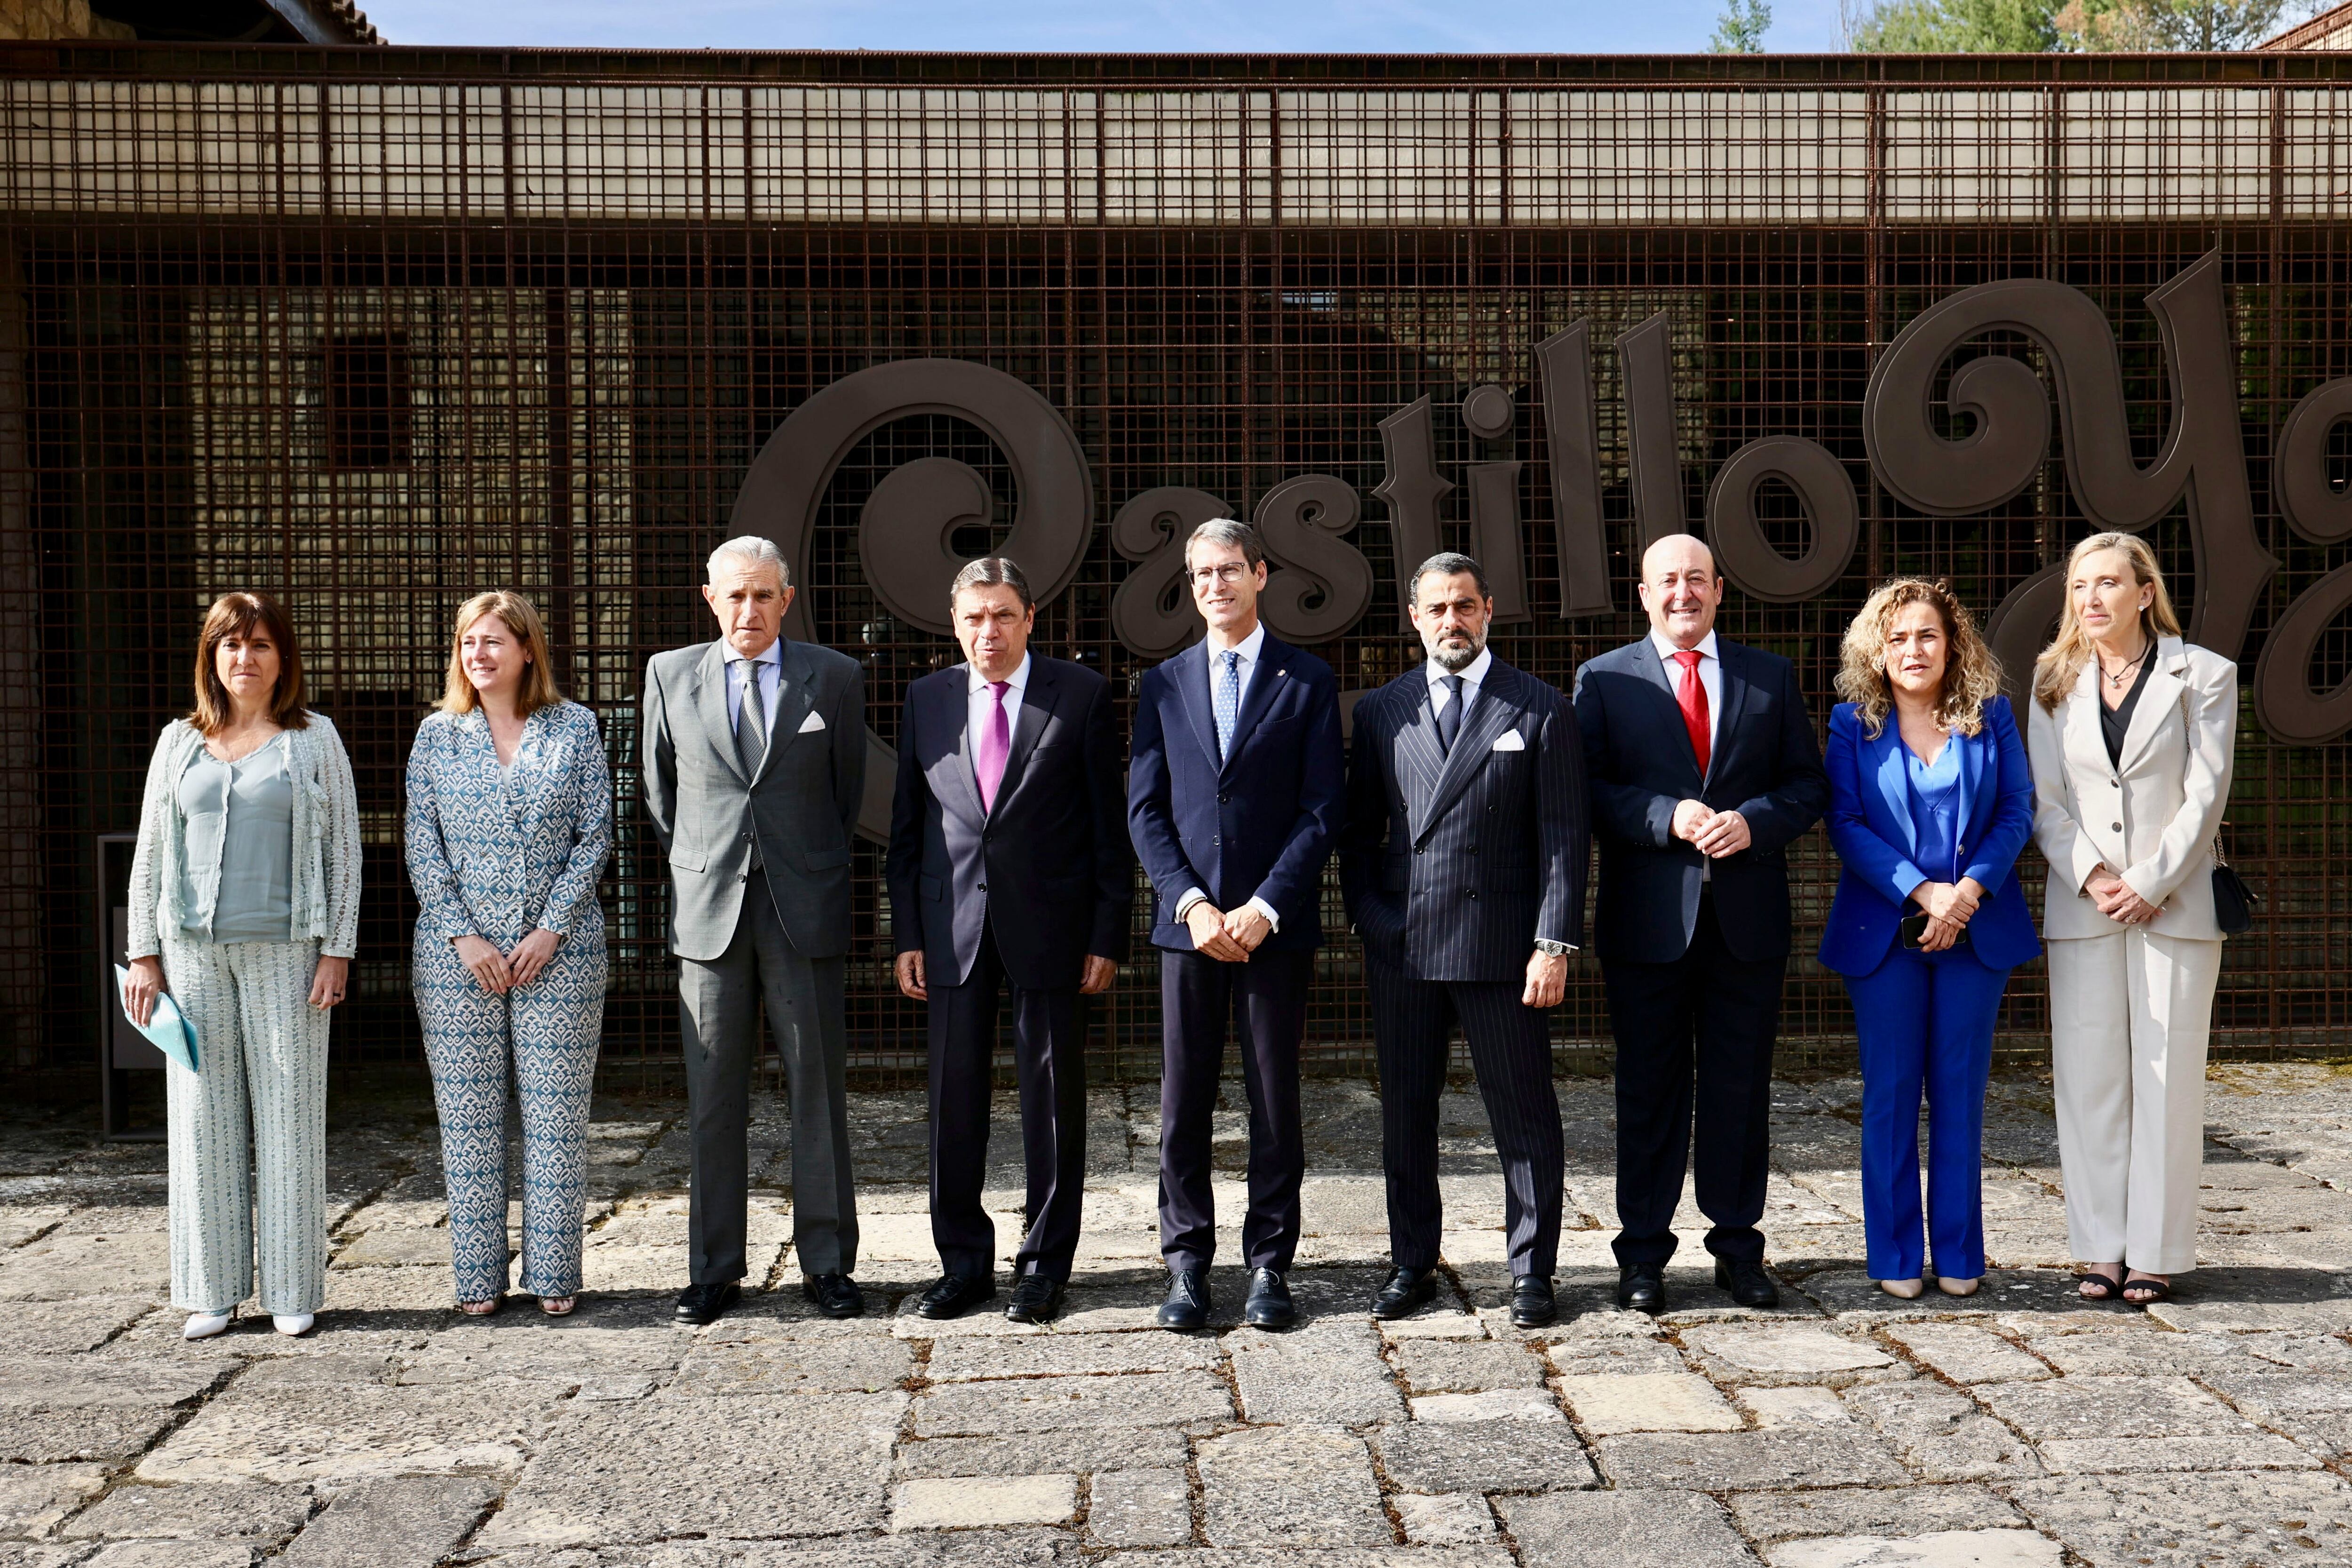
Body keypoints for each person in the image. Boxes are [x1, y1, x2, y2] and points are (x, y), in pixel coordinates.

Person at [1573, 534, 1827, 1313]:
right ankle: (1643, 1254)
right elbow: (1586, 790)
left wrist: (1754, 821)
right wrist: (1664, 815)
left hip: (1745, 922)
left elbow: (1808, 784)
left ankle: (1738, 1248)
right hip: (1649, 923)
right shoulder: (1604, 679)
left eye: (1696, 579)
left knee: (1739, 1091)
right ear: (1643, 594)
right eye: (1666, 581)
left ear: (1719, 589)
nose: (1682, 592)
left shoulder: (1769, 676)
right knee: (1647, 1090)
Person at [1341, 552, 1588, 1329]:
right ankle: (1412, 1262)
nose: (1453, 621)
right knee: (1406, 1116)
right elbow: (1355, 837)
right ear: (1415, 617)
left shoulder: (1538, 706)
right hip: (1407, 948)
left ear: (1490, 612)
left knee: (1523, 1115)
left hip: (1503, 947)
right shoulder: (1383, 710)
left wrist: (1554, 943)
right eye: (1438, 608)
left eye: (1466, 607)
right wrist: (1377, 924)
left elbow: (1563, 840)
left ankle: (1531, 1271)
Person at [886, 557, 1132, 1324]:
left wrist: (1107, 933)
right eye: (973, 618)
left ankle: (1044, 1266)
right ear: (954, 624)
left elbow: (1108, 830)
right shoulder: (926, 699)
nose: (987, 632)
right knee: (953, 1103)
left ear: (1030, 618)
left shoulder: (1082, 694)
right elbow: (906, 829)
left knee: (1053, 1103)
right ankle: (963, 1266)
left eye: (1002, 616)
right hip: (951, 928)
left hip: (1054, 927)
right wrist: (907, 933)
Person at [121, 592, 361, 1340]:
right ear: (212, 658)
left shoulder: (314, 739)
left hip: (289, 954)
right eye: (230, 645)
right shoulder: (178, 741)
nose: (245, 658)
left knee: (290, 1116)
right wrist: (143, 955)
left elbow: (344, 851)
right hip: (191, 956)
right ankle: (212, 1290)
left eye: (259, 645)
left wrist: (337, 950)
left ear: (281, 658)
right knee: (202, 1122)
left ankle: (292, 1288)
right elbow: (151, 853)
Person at [642, 537, 867, 1326]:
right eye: (735, 596)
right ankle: (713, 1270)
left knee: (818, 1090)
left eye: (764, 596)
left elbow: (846, 797)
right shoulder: (669, 675)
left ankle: (830, 1265)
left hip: (802, 909)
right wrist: (711, 863)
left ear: (788, 597)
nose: (750, 610)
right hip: (709, 914)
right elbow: (662, 796)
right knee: (711, 1096)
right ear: (710, 599)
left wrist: (796, 863)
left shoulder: (834, 677)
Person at [1128, 517, 1344, 1330]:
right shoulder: (1163, 682)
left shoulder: (1307, 680)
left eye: (1229, 570)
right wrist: (1191, 903)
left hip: (1270, 927)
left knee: (1273, 1099)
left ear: (1261, 573)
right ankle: (1186, 1266)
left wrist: (1262, 906)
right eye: (1200, 574)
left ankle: (1268, 1264)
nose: (1215, 585)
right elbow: (1145, 810)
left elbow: (1324, 809)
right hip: (1188, 928)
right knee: (1182, 1101)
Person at [2027, 532, 2237, 1307]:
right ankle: (2099, 1251)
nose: (2092, 600)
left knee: (2167, 1076)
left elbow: (2206, 793)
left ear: (2144, 592)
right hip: (2084, 905)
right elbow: (2044, 802)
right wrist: (2090, 873)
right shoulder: (2053, 680)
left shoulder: (2204, 675)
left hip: (2175, 904)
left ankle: (2154, 1251)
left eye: (2109, 584)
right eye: (2081, 586)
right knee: (2089, 1081)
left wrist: (2150, 879)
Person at [1820, 579, 2037, 1300]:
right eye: (1898, 637)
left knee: (1959, 1094)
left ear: (1953, 645)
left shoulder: (1992, 716)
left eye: (1927, 635)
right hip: (1885, 934)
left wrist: (1967, 892)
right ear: (1876, 651)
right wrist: (1923, 890)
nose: (1913, 649)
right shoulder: (1852, 725)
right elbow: (1846, 823)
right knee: (1889, 1095)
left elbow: (2015, 810)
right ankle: (1893, 1256)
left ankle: (1959, 1252)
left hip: (1977, 932)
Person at [405, 591, 612, 1318]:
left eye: (494, 641)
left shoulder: (576, 728)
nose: (479, 655)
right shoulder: (437, 736)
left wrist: (550, 927)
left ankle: (555, 1272)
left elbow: (595, 835)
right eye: (468, 643)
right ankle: (477, 1279)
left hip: (559, 953)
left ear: (528, 650)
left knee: (557, 1116)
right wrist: (463, 934)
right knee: (467, 1119)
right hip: (457, 958)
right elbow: (421, 845)